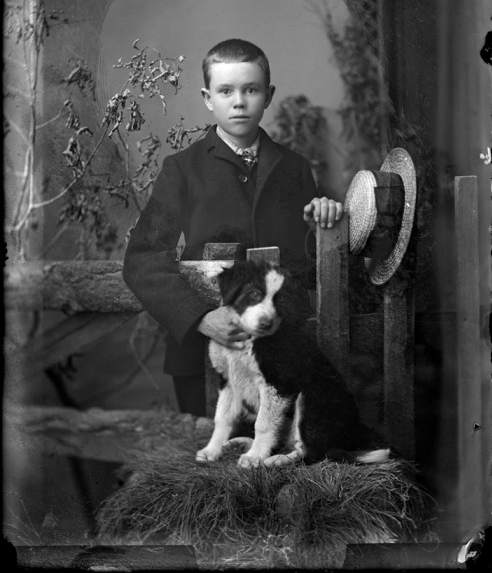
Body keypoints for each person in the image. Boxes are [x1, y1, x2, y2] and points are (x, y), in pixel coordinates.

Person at [123, 39, 343, 415]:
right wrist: (201, 319)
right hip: (203, 356)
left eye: (251, 89)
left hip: (279, 356)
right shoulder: (181, 170)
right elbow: (142, 260)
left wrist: (321, 225)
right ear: (208, 99)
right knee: (214, 461)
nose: (239, 101)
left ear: (268, 95)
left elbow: (306, 268)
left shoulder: (294, 168)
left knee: (274, 460)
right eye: (226, 91)